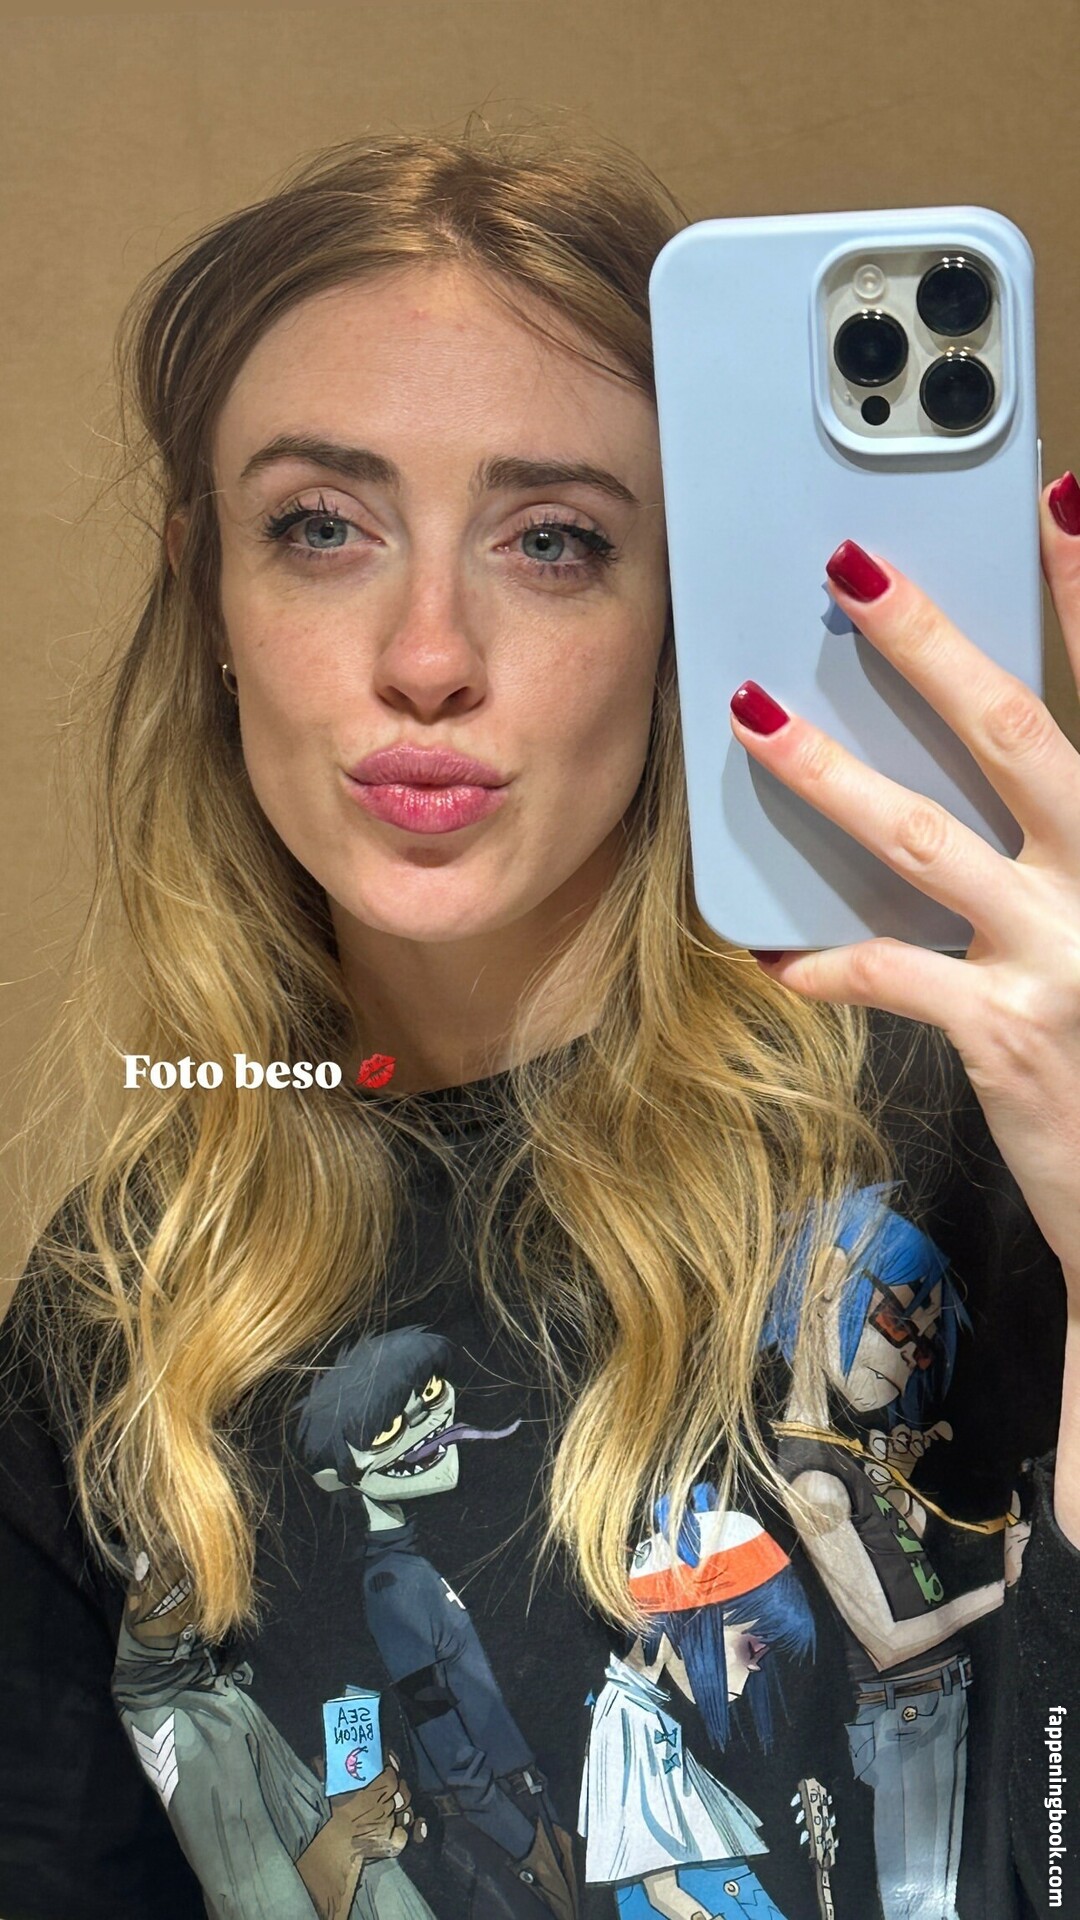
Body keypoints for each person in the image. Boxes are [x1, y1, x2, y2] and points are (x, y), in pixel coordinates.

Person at [1, 121, 1078, 1920]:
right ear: (210, 593)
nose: (428, 654)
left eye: (556, 540)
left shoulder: (983, 1139)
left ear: (679, 608)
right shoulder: (117, 1312)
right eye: (321, 528)